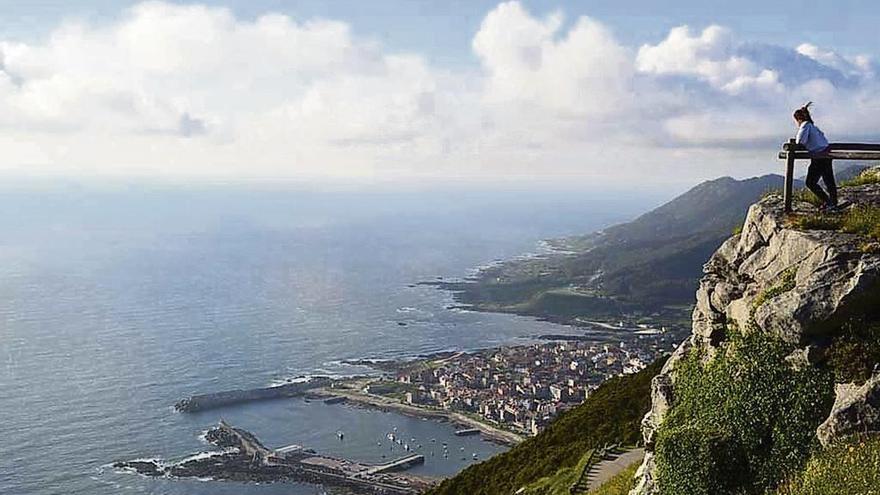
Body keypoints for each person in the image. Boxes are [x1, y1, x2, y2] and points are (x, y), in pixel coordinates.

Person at [794, 102, 837, 210]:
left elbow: (800, 140)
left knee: (810, 182)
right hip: (826, 154)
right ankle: (833, 203)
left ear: (798, 119)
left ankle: (828, 202)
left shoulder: (805, 125)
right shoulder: (812, 126)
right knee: (828, 180)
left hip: (819, 156)